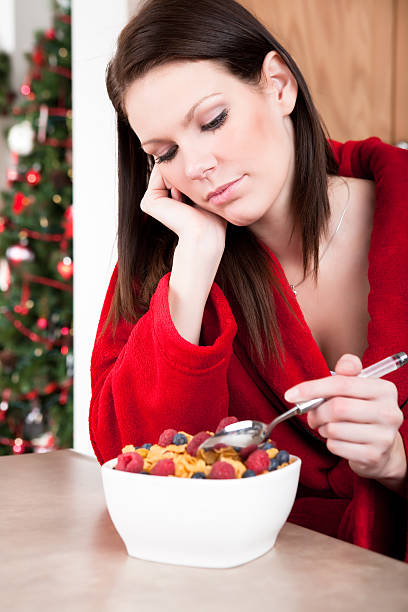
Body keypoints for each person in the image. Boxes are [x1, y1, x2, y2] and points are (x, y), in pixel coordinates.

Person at [89, 0, 408, 560]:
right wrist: (195, 267)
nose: (196, 167)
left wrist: (396, 466)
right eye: (165, 153)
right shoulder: (174, 257)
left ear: (279, 85)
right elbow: (133, 458)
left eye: (212, 120)